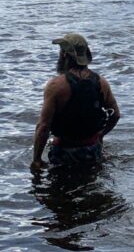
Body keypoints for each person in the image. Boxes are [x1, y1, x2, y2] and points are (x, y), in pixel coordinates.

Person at [31, 33, 121, 171]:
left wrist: (36, 160)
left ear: (65, 55)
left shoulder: (56, 85)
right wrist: (101, 135)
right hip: (93, 150)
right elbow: (115, 115)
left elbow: (43, 127)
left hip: (64, 153)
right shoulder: (101, 82)